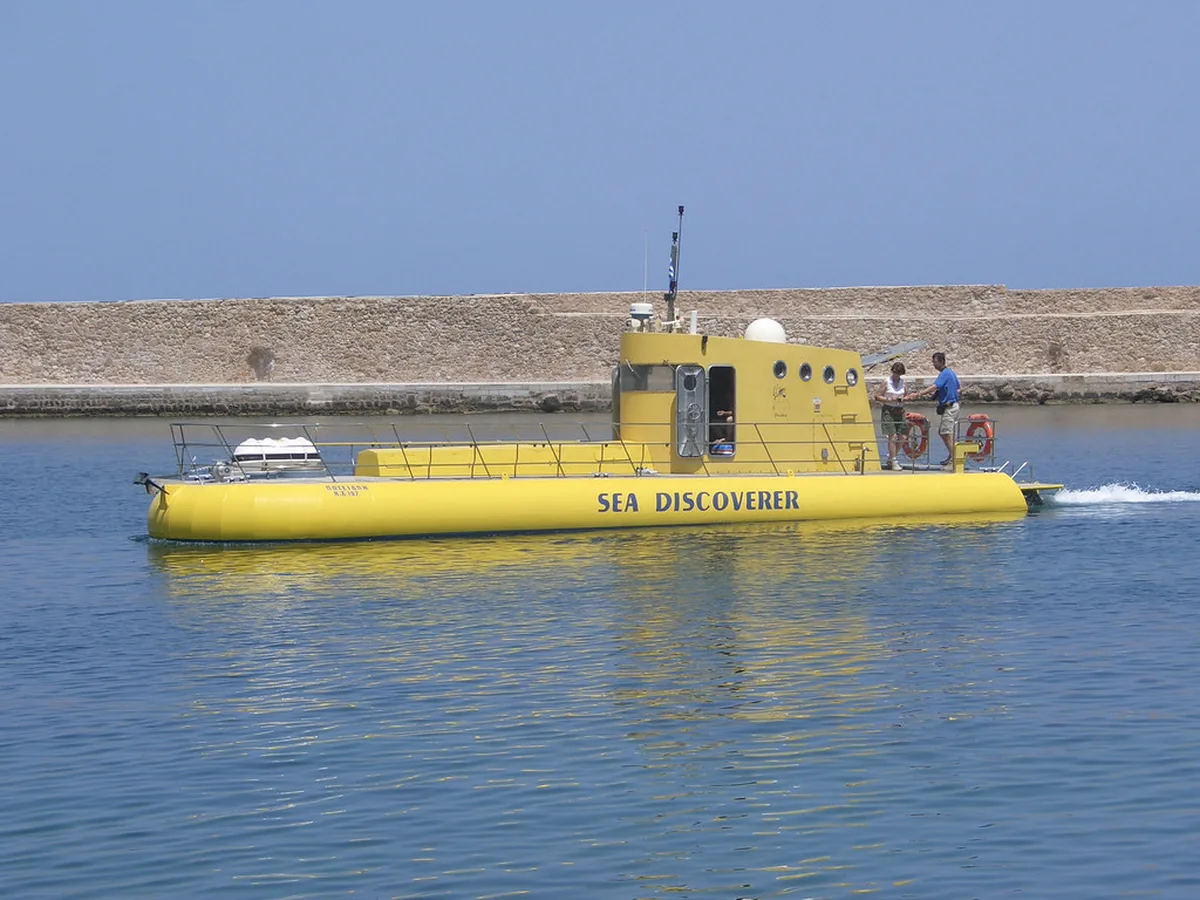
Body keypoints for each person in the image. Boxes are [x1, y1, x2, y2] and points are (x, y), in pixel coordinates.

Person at [909, 351, 961, 467]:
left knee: (946, 433)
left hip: (950, 408)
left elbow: (934, 386)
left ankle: (954, 460)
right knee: (945, 433)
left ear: (941, 362)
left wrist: (918, 394)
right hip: (952, 406)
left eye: (935, 362)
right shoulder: (950, 373)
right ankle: (952, 456)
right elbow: (958, 388)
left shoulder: (944, 374)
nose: (933, 364)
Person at [873, 362, 908, 470]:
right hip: (889, 410)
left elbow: (906, 395)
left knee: (903, 436)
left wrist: (903, 399)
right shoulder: (887, 382)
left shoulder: (903, 383)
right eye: (895, 373)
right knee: (892, 436)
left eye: (899, 373)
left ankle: (891, 457)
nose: (897, 375)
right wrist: (889, 399)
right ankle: (893, 460)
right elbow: (877, 396)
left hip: (900, 410)